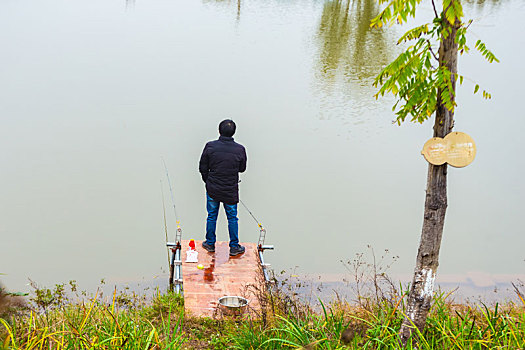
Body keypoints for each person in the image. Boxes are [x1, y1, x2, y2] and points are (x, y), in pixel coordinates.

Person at [199, 119, 247, 256]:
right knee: (232, 217)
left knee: (212, 216)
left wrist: (208, 182)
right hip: (230, 190)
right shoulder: (240, 149)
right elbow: (242, 169)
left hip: (213, 188)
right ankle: (234, 247)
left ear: (219, 131)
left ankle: (210, 243)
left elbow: (202, 167)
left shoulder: (210, 146)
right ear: (234, 132)